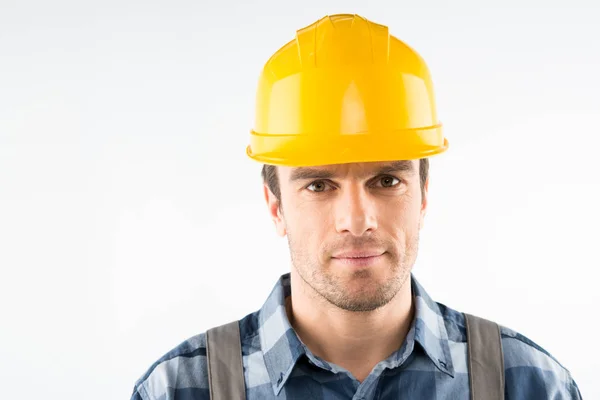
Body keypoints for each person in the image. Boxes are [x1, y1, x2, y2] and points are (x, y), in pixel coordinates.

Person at [130, 14, 582, 400]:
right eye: (319, 185)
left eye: (386, 181)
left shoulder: (530, 384)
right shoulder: (180, 389)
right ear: (275, 205)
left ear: (423, 195)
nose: (357, 220)